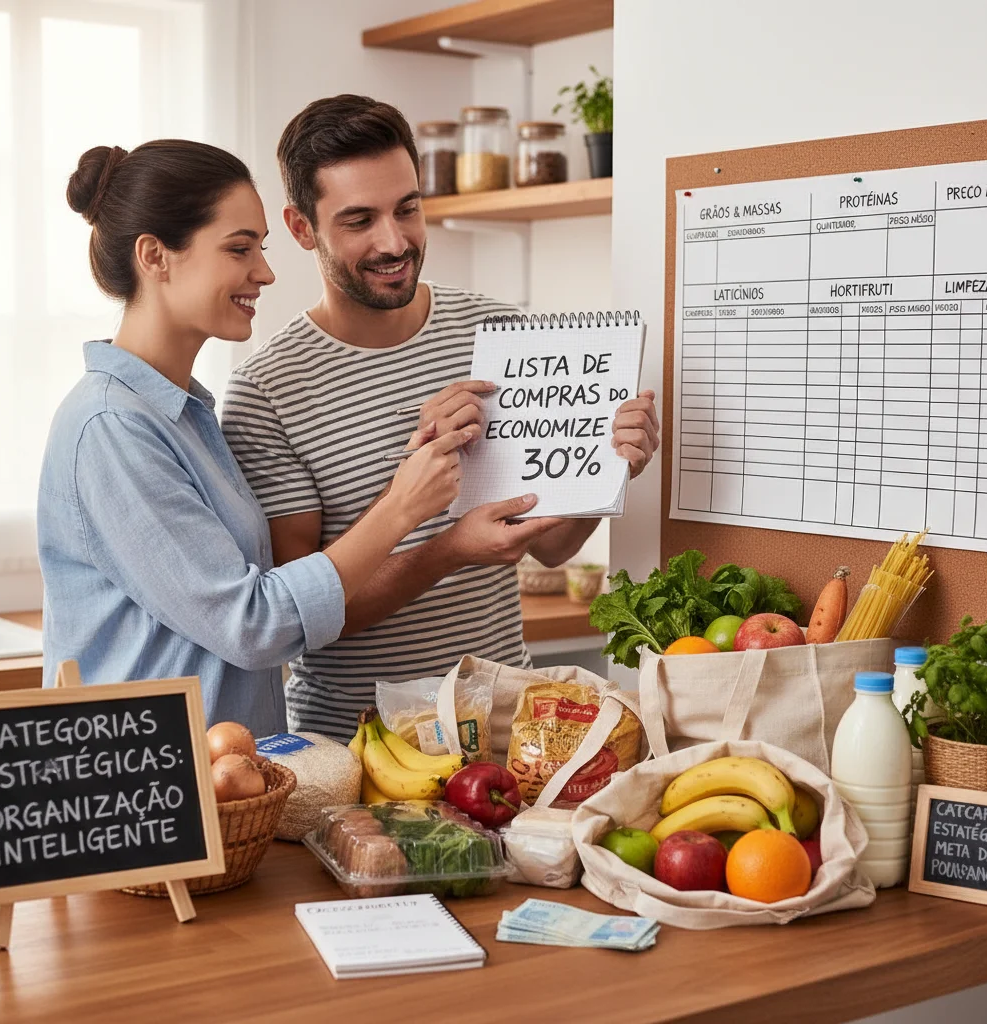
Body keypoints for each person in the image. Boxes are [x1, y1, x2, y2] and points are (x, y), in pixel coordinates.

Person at [222, 95, 659, 743]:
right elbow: (303, 616)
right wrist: (446, 547)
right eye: (359, 220)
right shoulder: (267, 390)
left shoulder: (500, 332)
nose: (394, 242)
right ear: (300, 227)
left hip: (510, 726)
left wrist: (613, 469)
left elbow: (552, 543)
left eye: (407, 208)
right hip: (355, 745)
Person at [37, 138, 471, 735]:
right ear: (155, 256)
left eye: (261, 248)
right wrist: (403, 506)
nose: (264, 273)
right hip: (154, 790)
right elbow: (254, 623)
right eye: (239, 249)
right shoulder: (113, 426)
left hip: (229, 783)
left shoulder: (182, 416)